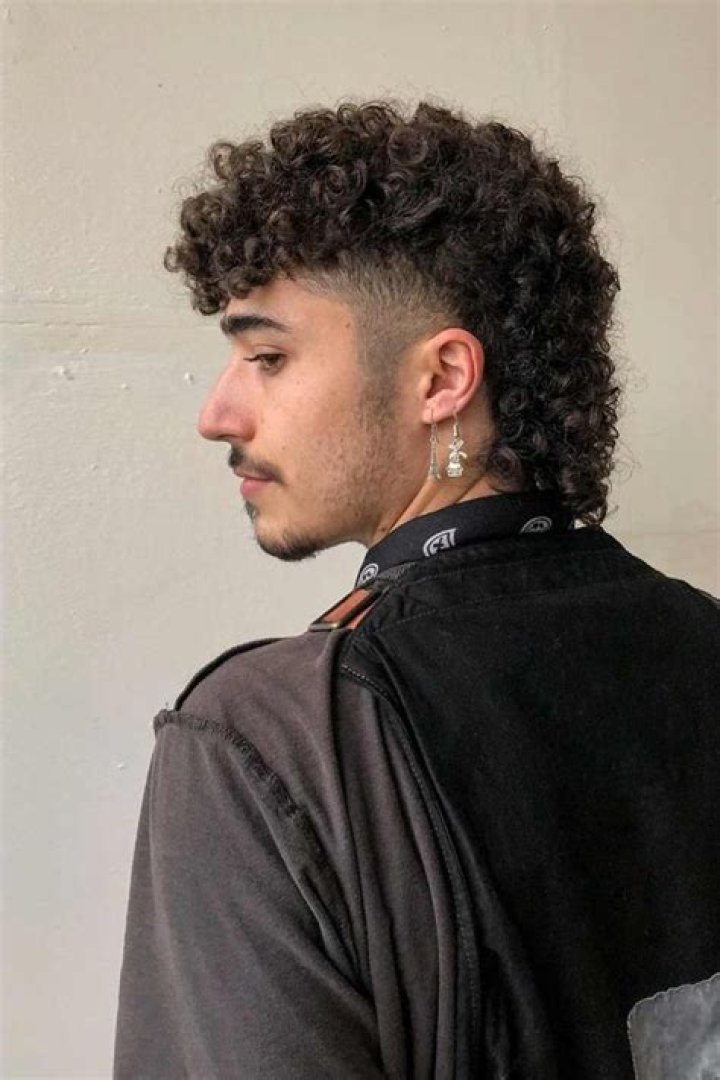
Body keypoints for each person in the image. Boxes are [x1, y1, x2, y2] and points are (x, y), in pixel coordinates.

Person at [113, 100, 720, 1079]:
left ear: (442, 378)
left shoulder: (269, 740)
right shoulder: (701, 636)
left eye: (267, 357)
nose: (218, 413)